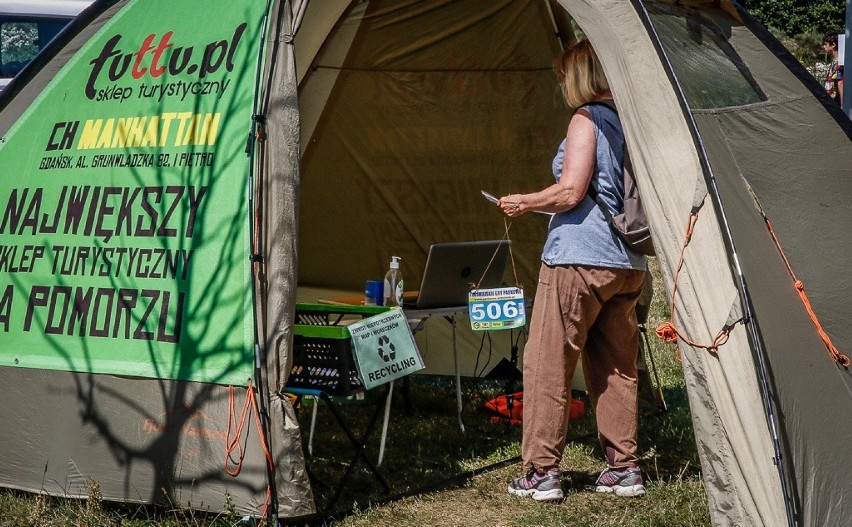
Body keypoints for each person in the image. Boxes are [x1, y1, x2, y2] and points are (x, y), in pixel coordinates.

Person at [499, 39, 647, 502]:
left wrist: (524, 202)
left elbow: (570, 192)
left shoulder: (587, 119)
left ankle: (540, 473)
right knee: (616, 367)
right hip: (628, 263)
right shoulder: (634, 120)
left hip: (578, 259)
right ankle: (624, 468)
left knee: (547, 364)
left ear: (581, 75)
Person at [823, 33, 844, 107]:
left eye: (826, 44)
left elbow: (841, 83)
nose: (823, 46)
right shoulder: (833, 63)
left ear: (833, 45)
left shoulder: (840, 64)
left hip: (836, 104)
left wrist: (842, 106)